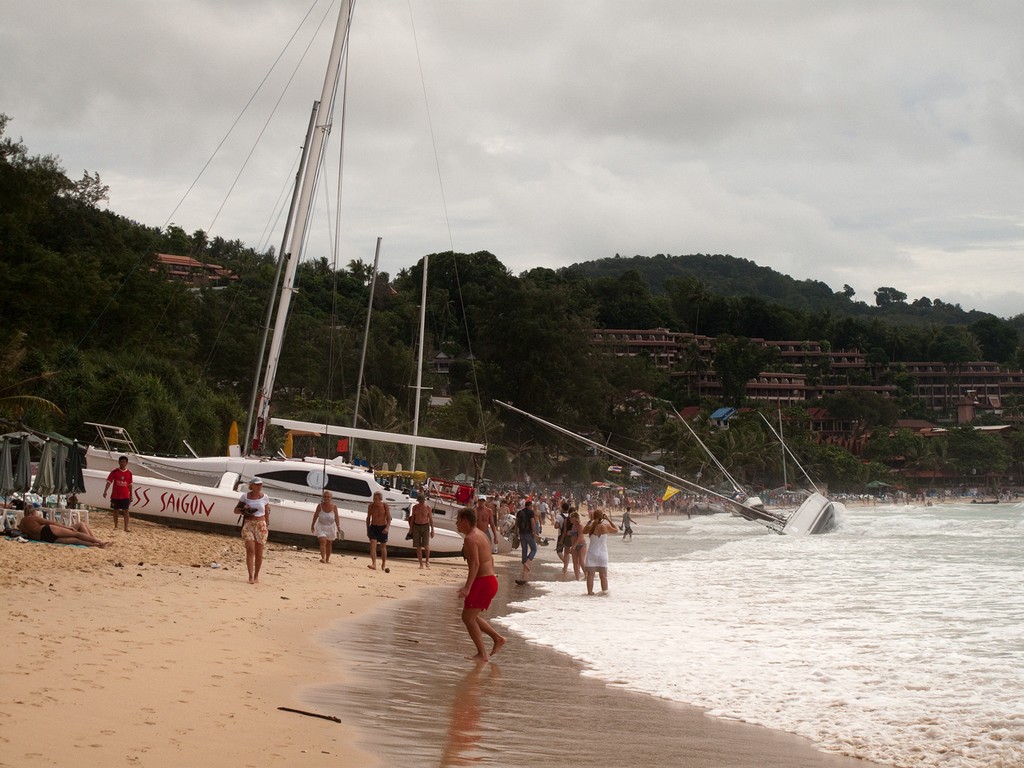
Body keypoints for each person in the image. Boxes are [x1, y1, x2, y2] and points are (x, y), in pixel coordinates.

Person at [455, 506, 505, 662]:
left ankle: (482, 654)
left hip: (483, 581)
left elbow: (475, 564)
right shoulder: (481, 534)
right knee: (471, 616)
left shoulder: (470, 538)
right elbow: (490, 559)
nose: (456, 524)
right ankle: (497, 638)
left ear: (465, 521)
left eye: (458, 521)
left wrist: (467, 588)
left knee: (468, 618)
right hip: (489, 580)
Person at [18, 505, 111, 547]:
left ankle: (95, 545)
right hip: (46, 530)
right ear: (33, 511)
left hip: (44, 538)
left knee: (76, 541)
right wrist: (66, 527)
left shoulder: (22, 523)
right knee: (76, 534)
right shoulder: (34, 518)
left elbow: (20, 530)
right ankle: (99, 542)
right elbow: (51, 523)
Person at [237, 477, 270, 584]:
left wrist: (267, 526)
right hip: (249, 524)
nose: (259, 486)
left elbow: (266, 512)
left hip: (261, 525)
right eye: (257, 484)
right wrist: (244, 509)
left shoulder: (265, 497)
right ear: (252, 485)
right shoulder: (245, 497)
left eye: (260, 484)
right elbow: (236, 510)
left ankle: (256, 576)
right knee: (250, 549)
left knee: (259, 553)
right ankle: (250, 576)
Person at [583, 508, 617, 595]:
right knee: (603, 576)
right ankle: (604, 593)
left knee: (590, 575)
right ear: (602, 517)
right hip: (603, 553)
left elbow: (583, 531)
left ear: (594, 516)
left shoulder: (591, 527)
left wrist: (591, 520)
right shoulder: (605, 526)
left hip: (592, 553)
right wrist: (608, 519)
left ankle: (590, 593)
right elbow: (616, 530)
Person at [102, 455, 133, 532]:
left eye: (124, 462)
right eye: (121, 462)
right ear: (119, 462)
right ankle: (116, 526)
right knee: (116, 510)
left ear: (126, 463)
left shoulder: (129, 473)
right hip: (115, 495)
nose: (122, 463)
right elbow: (109, 482)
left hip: (125, 495)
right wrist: (105, 491)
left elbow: (130, 485)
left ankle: (126, 528)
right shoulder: (114, 471)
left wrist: (131, 495)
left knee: (126, 511)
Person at [310, 490, 341, 564]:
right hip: (321, 526)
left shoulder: (334, 507)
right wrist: (312, 524)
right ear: (323, 497)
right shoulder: (320, 506)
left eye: (328, 497)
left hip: (331, 527)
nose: (326, 498)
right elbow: (316, 515)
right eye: (325, 497)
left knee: (329, 544)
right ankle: (323, 558)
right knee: (322, 541)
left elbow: (336, 517)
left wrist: (338, 526)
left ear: (331, 498)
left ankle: (327, 559)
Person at [366, 490, 391, 571]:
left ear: (380, 499)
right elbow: (368, 517)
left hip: (382, 527)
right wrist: (367, 529)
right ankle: (374, 563)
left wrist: (387, 527)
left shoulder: (384, 506)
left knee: (383, 547)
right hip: (373, 527)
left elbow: (389, 518)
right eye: (374, 499)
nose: (375, 500)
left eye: (376, 499)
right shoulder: (371, 506)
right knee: (373, 544)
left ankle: (383, 564)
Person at [515, 499, 538, 585]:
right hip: (528, 533)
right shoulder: (531, 512)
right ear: (530, 505)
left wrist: (516, 533)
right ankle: (527, 561)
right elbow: (532, 522)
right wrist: (534, 532)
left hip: (521, 533)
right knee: (534, 549)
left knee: (524, 550)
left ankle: (524, 574)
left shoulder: (519, 512)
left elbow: (516, 523)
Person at [409, 494, 435, 568]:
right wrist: (410, 529)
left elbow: (430, 519)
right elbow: (412, 518)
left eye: (422, 501)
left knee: (426, 545)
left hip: (425, 526)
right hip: (416, 526)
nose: (421, 503)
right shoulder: (415, 507)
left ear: (424, 501)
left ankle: (427, 560)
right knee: (418, 546)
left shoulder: (428, 508)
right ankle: (421, 564)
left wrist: (432, 530)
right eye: (420, 501)